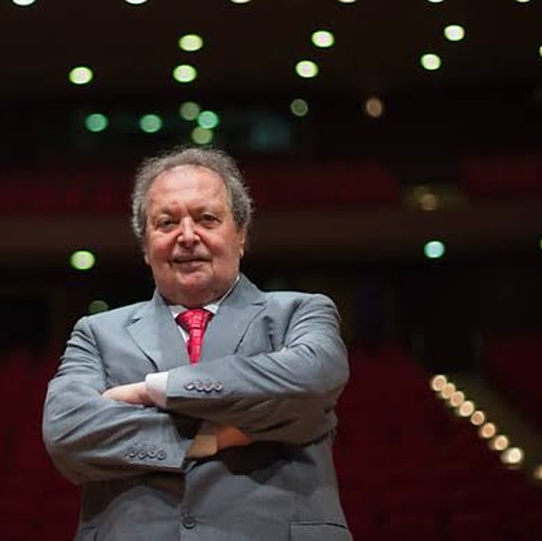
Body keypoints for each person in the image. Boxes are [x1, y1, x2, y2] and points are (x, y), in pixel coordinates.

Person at [42, 147, 352, 541]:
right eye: (166, 222)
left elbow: (311, 382)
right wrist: (215, 437)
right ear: (145, 245)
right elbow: (67, 432)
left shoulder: (301, 313)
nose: (187, 237)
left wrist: (157, 389)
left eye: (206, 219)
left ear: (240, 234)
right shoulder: (96, 333)